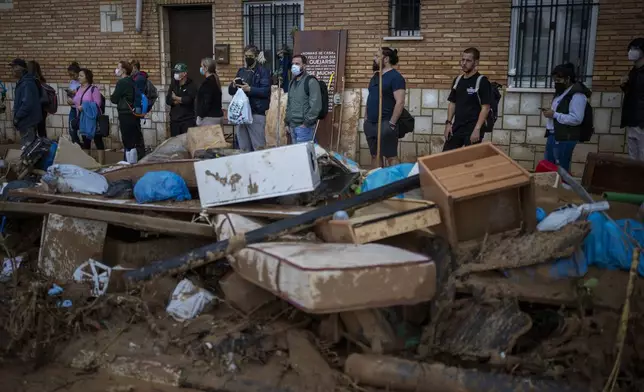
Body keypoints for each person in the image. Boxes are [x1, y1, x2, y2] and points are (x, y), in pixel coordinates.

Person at [541, 63, 591, 172]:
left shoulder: (577, 95)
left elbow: (577, 119)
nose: (556, 83)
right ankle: (553, 188)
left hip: (564, 137)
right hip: (554, 134)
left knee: (561, 169)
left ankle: (563, 188)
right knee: (549, 167)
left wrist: (554, 114)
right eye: (554, 80)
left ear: (567, 79)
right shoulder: (561, 93)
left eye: (558, 80)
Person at [443, 47, 492, 151]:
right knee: (445, 158)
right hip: (457, 127)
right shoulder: (458, 80)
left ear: (476, 62)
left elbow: (486, 108)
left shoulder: (482, 81)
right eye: (463, 60)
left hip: (473, 128)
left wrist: (477, 129)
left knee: (470, 162)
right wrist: (448, 124)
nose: (464, 63)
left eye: (468, 60)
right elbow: (452, 103)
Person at [364, 47, 406, 167]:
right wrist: (366, 118)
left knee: (391, 157)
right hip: (371, 124)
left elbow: (400, 102)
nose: (374, 58)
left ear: (386, 59)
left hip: (386, 123)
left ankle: (395, 184)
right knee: (375, 156)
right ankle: (379, 184)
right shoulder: (375, 77)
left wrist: (391, 123)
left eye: (377, 56)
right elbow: (370, 97)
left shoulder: (396, 77)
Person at [228, 44, 271, 151]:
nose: (248, 58)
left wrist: (250, 89)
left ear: (256, 57)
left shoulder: (263, 72)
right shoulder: (241, 71)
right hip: (241, 114)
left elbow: (266, 91)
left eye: (250, 56)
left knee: (258, 147)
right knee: (243, 147)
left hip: (256, 113)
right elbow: (231, 91)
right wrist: (233, 85)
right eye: (246, 56)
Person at [111, 61, 145, 162]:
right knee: (133, 140)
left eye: (118, 67)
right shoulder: (132, 81)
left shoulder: (122, 82)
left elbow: (114, 99)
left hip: (125, 114)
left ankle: (130, 163)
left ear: (124, 70)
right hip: (133, 114)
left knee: (127, 142)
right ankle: (133, 162)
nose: (116, 70)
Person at [285, 54, 322, 144]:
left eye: (297, 64)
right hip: (292, 126)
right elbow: (289, 104)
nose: (294, 66)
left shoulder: (311, 81)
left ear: (304, 66)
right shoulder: (292, 82)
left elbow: (316, 106)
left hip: (304, 128)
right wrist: (287, 123)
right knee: (297, 156)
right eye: (293, 64)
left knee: (306, 155)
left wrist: (306, 124)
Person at [74, 68, 105, 163]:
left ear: (87, 77)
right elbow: (77, 101)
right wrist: (72, 102)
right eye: (79, 75)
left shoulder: (93, 89)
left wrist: (84, 107)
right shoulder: (78, 89)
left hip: (92, 120)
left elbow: (97, 104)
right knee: (85, 141)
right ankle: (88, 163)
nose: (79, 77)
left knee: (97, 140)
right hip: (82, 119)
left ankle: (101, 163)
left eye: (81, 76)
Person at [10, 58, 42, 147]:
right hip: (27, 121)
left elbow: (27, 103)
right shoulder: (23, 81)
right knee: (29, 147)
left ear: (19, 68)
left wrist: (17, 116)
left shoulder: (27, 82)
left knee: (28, 148)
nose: (12, 70)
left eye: (14, 67)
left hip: (28, 121)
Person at [621, 38, 644, 161]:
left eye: (635, 49)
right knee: (633, 159)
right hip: (632, 120)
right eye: (630, 49)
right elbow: (633, 94)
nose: (631, 52)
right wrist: (624, 85)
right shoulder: (633, 72)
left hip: (641, 122)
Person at [165, 63, 197, 136]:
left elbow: (189, 100)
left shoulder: (191, 85)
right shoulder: (173, 83)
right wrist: (178, 101)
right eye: (175, 72)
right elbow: (168, 100)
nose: (176, 74)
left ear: (184, 73)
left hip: (187, 121)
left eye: (178, 72)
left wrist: (176, 98)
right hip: (175, 121)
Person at [196, 57, 223, 126]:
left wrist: (200, 116)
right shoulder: (215, 80)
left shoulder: (208, 83)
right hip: (216, 116)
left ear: (206, 68)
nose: (201, 68)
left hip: (209, 118)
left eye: (202, 66)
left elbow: (206, 102)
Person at [27, 60, 47, 138]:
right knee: (41, 130)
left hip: (35, 108)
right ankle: (44, 146)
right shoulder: (41, 79)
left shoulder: (32, 80)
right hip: (42, 108)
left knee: (34, 131)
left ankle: (39, 147)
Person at [67, 61, 82, 145]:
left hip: (80, 109)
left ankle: (83, 147)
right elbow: (70, 94)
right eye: (70, 75)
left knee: (82, 130)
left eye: (73, 75)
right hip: (73, 108)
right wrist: (69, 99)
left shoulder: (82, 82)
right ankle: (77, 144)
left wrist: (75, 98)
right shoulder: (72, 82)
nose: (72, 77)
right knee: (71, 129)